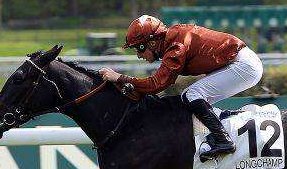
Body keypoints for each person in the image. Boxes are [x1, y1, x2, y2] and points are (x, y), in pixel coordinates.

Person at [99, 15, 263, 161]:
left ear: (153, 42)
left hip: (243, 66)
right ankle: (221, 130)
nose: (138, 55)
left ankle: (223, 140)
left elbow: (156, 84)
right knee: (189, 97)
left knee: (192, 94)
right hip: (240, 62)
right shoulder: (173, 40)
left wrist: (120, 78)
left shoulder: (176, 47)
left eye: (139, 48)